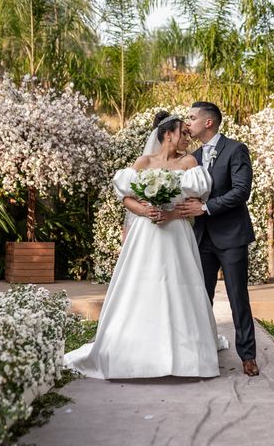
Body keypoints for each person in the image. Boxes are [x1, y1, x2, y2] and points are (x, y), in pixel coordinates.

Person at [64, 111, 221, 379]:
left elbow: (194, 201)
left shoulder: (189, 162)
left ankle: (186, 355)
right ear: (167, 134)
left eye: (187, 132)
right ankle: (137, 350)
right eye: (182, 132)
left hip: (176, 232)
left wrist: (170, 213)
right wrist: (145, 212)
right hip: (146, 233)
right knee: (142, 284)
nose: (187, 137)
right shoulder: (144, 161)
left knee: (178, 284)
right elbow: (126, 198)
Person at [177, 101, 259, 377]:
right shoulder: (193, 156)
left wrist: (206, 208)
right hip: (202, 238)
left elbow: (241, 191)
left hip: (232, 236)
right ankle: (200, 353)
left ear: (208, 122)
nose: (187, 122)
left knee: (238, 297)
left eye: (191, 118)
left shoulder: (236, 149)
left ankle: (248, 356)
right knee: (201, 297)